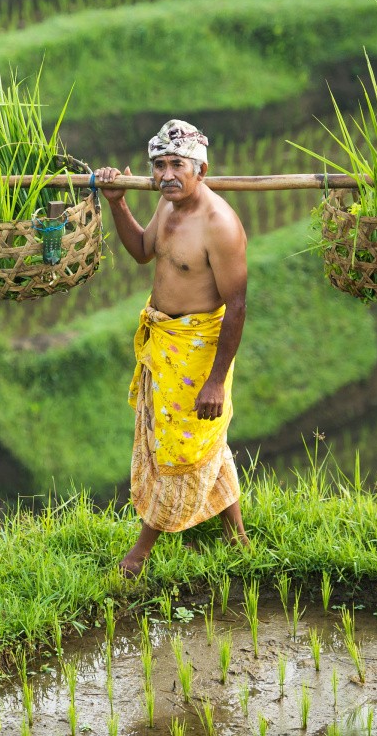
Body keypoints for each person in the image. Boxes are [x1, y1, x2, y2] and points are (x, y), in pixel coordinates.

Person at [95, 119, 250, 578]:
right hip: (164, 340)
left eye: (177, 164)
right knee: (204, 441)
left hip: (197, 349)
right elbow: (143, 251)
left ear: (201, 169)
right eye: (159, 165)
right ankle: (238, 536)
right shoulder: (167, 204)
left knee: (181, 449)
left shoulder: (219, 224)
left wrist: (216, 381)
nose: (166, 174)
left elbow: (237, 305)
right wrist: (117, 203)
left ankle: (140, 552)